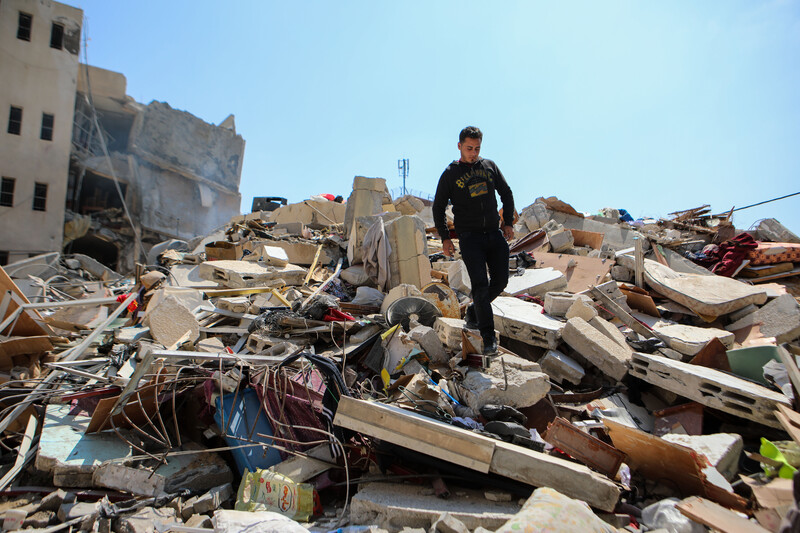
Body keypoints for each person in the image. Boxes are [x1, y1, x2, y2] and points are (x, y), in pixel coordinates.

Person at [432, 126, 515, 356]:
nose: (473, 153)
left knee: (501, 282)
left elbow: (506, 193)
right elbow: (438, 207)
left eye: (477, 148)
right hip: (470, 238)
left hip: (493, 233)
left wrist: (507, 222)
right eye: (469, 148)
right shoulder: (450, 173)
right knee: (479, 285)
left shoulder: (489, 166)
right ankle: (488, 338)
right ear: (459, 146)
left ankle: (474, 313)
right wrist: (445, 238)